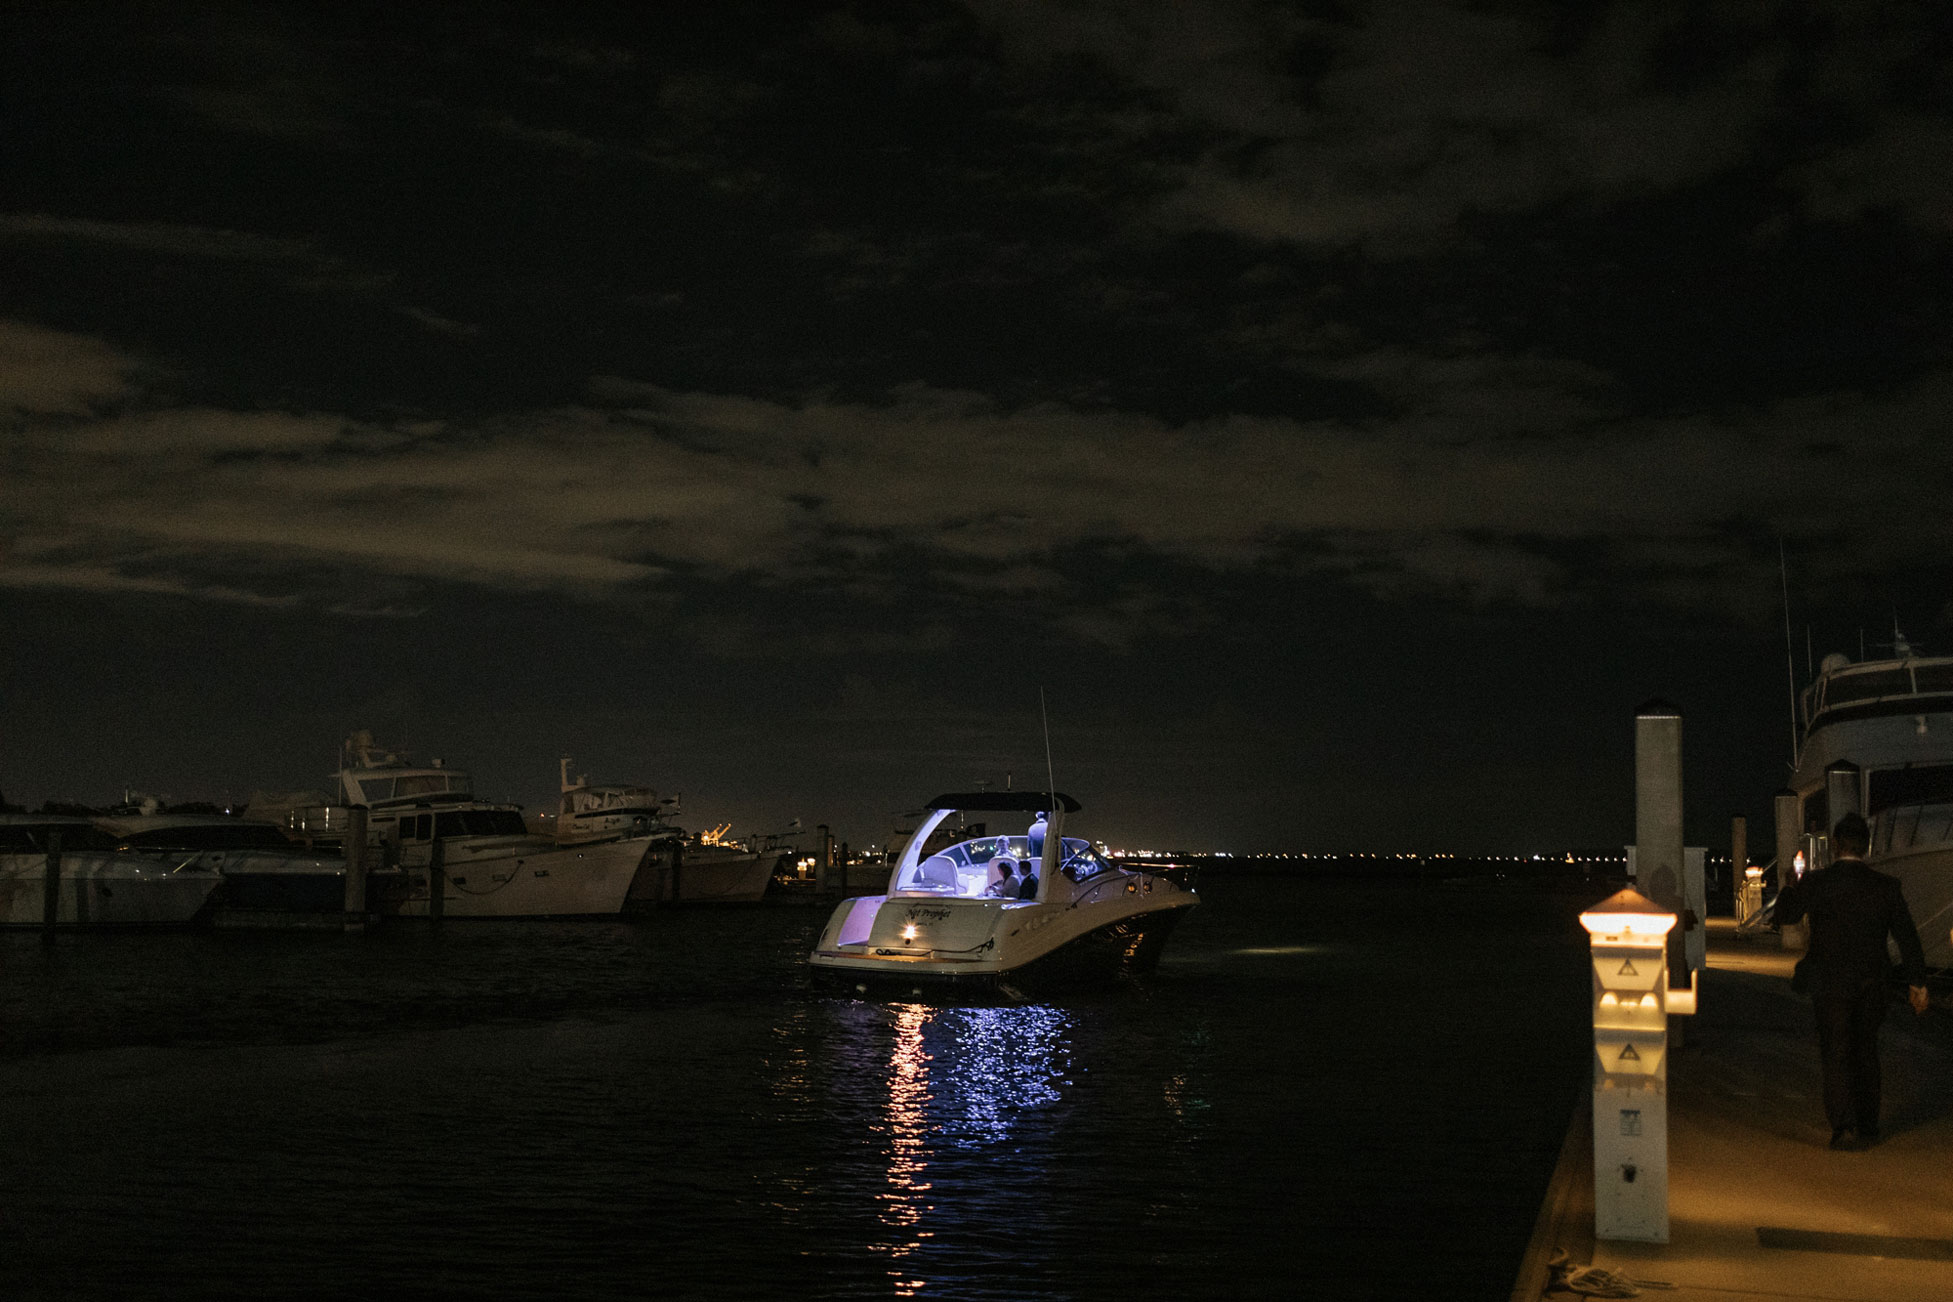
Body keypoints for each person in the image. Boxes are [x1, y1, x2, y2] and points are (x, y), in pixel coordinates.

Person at [1774, 811, 1931, 1150]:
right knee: (1866, 1049)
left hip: (1830, 982)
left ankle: (1843, 1126)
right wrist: (1918, 982)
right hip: (1874, 981)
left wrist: (1791, 884)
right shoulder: (1886, 887)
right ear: (1866, 846)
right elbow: (1907, 937)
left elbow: (1785, 915)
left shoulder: (1817, 882)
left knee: (1836, 1052)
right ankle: (1869, 1125)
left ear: (1835, 845)